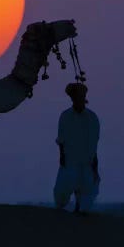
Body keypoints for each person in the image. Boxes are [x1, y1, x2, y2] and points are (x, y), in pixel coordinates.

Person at [53, 82, 100, 214]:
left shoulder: (92, 118)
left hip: (87, 160)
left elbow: (94, 142)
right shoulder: (65, 116)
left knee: (86, 189)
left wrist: (95, 163)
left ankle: (80, 210)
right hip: (70, 159)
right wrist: (62, 157)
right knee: (63, 189)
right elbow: (61, 140)